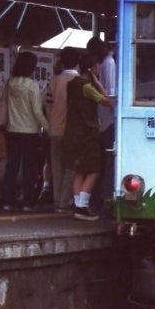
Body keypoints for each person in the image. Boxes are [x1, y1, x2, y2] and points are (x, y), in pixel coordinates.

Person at [64, 51, 114, 221]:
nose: (100, 68)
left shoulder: (72, 84)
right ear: (92, 68)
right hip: (87, 132)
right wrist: (99, 84)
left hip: (72, 132)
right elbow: (108, 102)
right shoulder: (87, 87)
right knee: (94, 170)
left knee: (79, 170)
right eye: (98, 67)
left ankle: (78, 204)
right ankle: (83, 205)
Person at [0, 50, 50, 211]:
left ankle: (7, 200)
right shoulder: (32, 86)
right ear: (31, 67)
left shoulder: (9, 83)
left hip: (11, 130)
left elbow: (0, 101)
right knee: (29, 167)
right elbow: (36, 111)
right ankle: (28, 202)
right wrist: (48, 127)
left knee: (11, 166)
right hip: (29, 131)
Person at [43, 47, 80, 213]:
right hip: (72, 130)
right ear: (77, 62)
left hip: (54, 128)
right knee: (71, 166)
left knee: (56, 166)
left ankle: (57, 199)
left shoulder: (54, 81)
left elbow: (46, 104)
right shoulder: (80, 81)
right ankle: (65, 200)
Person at [87, 36, 116, 217]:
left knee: (101, 163)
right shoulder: (110, 63)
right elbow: (111, 95)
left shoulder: (106, 64)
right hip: (108, 121)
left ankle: (96, 200)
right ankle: (102, 201)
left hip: (102, 120)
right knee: (106, 163)